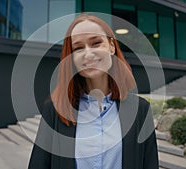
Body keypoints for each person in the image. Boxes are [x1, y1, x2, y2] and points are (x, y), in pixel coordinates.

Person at [28, 13, 158, 169]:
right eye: (78, 48)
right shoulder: (55, 111)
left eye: (96, 43)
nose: (88, 54)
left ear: (111, 46)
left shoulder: (141, 111)